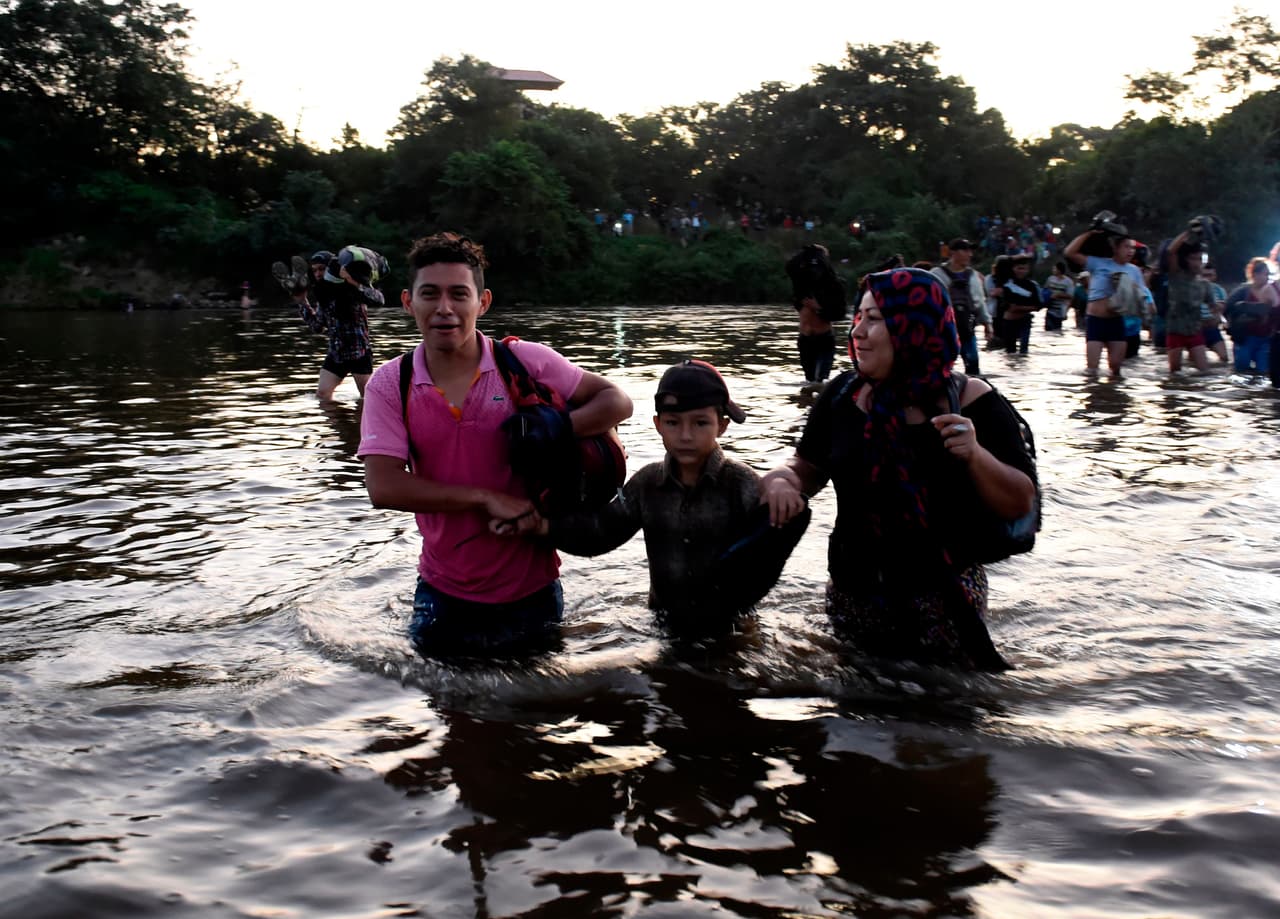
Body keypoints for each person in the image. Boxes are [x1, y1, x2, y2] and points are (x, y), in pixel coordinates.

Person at [356, 232, 633, 657]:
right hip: (441, 591)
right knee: (451, 715)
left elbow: (617, 401)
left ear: (482, 303)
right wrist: (485, 498)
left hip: (532, 588)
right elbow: (384, 487)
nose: (444, 308)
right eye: (430, 294)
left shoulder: (525, 363)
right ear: (408, 302)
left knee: (531, 717)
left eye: (458, 294)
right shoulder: (391, 384)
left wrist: (556, 429)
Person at [760, 268, 1036, 671]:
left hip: (943, 597)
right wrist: (781, 479)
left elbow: (1018, 501)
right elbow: (808, 465)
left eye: (874, 320)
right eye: (860, 317)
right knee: (855, 714)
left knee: (947, 716)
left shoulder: (972, 401)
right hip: (853, 591)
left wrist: (975, 454)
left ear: (913, 327)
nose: (857, 332)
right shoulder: (843, 394)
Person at [546, 360, 807, 636]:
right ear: (658, 424)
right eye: (673, 422)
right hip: (663, 623)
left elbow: (766, 559)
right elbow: (600, 533)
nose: (685, 435)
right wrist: (543, 526)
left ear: (722, 426)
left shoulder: (741, 484)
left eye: (700, 423)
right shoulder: (647, 484)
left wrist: (784, 490)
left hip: (730, 626)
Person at [296, 246, 389, 400]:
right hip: (336, 353)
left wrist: (354, 283)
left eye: (321, 269)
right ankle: (337, 424)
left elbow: (379, 299)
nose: (318, 273)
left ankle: (361, 424)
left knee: (368, 399)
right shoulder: (324, 296)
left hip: (358, 352)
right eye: (315, 270)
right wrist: (302, 302)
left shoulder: (350, 287)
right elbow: (317, 326)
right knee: (322, 396)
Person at [1064, 224, 1147, 379]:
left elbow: (1142, 294)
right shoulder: (1099, 263)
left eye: (1132, 248)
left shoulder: (1134, 270)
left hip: (1116, 321)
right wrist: (1089, 233)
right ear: (1115, 248)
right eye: (1126, 247)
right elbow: (1070, 253)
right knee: (1092, 371)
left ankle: (1114, 400)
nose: (1130, 251)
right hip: (1096, 321)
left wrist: (1146, 310)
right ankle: (1095, 399)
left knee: (1116, 370)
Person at [929, 238, 994, 375]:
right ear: (953, 252)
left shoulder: (973, 276)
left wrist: (987, 323)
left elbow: (979, 301)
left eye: (970, 251)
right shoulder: (936, 274)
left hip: (967, 327)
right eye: (965, 250)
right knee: (941, 367)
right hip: (943, 329)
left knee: (973, 367)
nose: (969, 254)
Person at [785, 244, 845, 385]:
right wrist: (810, 250)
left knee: (820, 382)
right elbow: (790, 266)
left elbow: (839, 314)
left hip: (824, 340)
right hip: (805, 340)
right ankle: (809, 405)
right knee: (809, 381)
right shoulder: (801, 285)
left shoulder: (833, 286)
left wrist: (818, 308)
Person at [1162, 228, 1215, 373]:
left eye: (1200, 259)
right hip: (1175, 329)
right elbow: (1171, 251)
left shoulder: (1204, 284)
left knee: (1205, 371)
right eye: (1193, 259)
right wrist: (1190, 231)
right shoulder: (1177, 276)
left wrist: (1214, 317)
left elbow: (1214, 306)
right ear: (1185, 260)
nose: (1197, 263)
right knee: (1175, 373)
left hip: (1194, 330)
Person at [1224, 257, 1277, 378]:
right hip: (1245, 339)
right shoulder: (1243, 291)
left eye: (1269, 274)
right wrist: (1233, 326)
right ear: (1255, 274)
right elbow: (1227, 308)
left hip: (1265, 338)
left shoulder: (1271, 291)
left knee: (1263, 372)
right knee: (1241, 372)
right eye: (1265, 274)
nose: (1268, 278)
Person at [991, 254, 1042, 354]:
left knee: (1024, 352)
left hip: (1024, 321)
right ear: (1012, 268)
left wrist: (1018, 308)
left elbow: (1038, 305)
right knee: (1010, 353)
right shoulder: (1006, 282)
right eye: (1019, 268)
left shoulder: (1032, 286)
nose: (1021, 271)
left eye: (1024, 269)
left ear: (1028, 270)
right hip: (1008, 323)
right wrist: (1015, 257)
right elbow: (1001, 263)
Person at [1201, 262, 1230, 362]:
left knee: (1224, 358)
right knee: (1194, 363)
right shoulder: (1194, 289)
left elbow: (1224, 309)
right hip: (1197, 331)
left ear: (1215, 276)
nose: (1207, 278)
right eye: (1204, 275)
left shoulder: (1219, 290)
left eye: (1210, 275)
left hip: (1212, 330)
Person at [1043, 261, 1074, 331]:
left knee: (1057, 331)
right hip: (1050, 310)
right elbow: (1045, 290)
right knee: (1048, 331)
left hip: (1060, 311)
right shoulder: (1050, 279)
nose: (1053, 270)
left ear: (1059, 270)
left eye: (1054, 269)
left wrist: (1059, 295)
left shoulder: (1068, 282)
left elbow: (1070, 296)